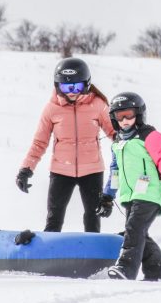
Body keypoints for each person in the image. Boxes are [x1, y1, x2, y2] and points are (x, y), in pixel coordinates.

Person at [16, 58, 116, 232]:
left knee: (93, 217)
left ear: (86, 84)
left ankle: (92, 256)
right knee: (54, 217)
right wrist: (26, 169)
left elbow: (115, 134)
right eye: (65, 87)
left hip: (92, 171)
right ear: (57, 86)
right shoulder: (51, 108)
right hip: (61, 171)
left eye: (76, 87)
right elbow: (40, 142)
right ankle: (48, 255)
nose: (71, 92)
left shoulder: (98, 105)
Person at [99, 92, 161, 281]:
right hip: (130, 195)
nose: (125, 120)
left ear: (139, 114)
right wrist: (107, 196)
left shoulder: (149, 135)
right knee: (137, 232)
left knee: (134, 229)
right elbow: (115, 171)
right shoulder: (118, 142)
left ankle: (125, 269)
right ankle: (158, 274)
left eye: (129, 115)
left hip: (150, 191)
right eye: (120, 116)